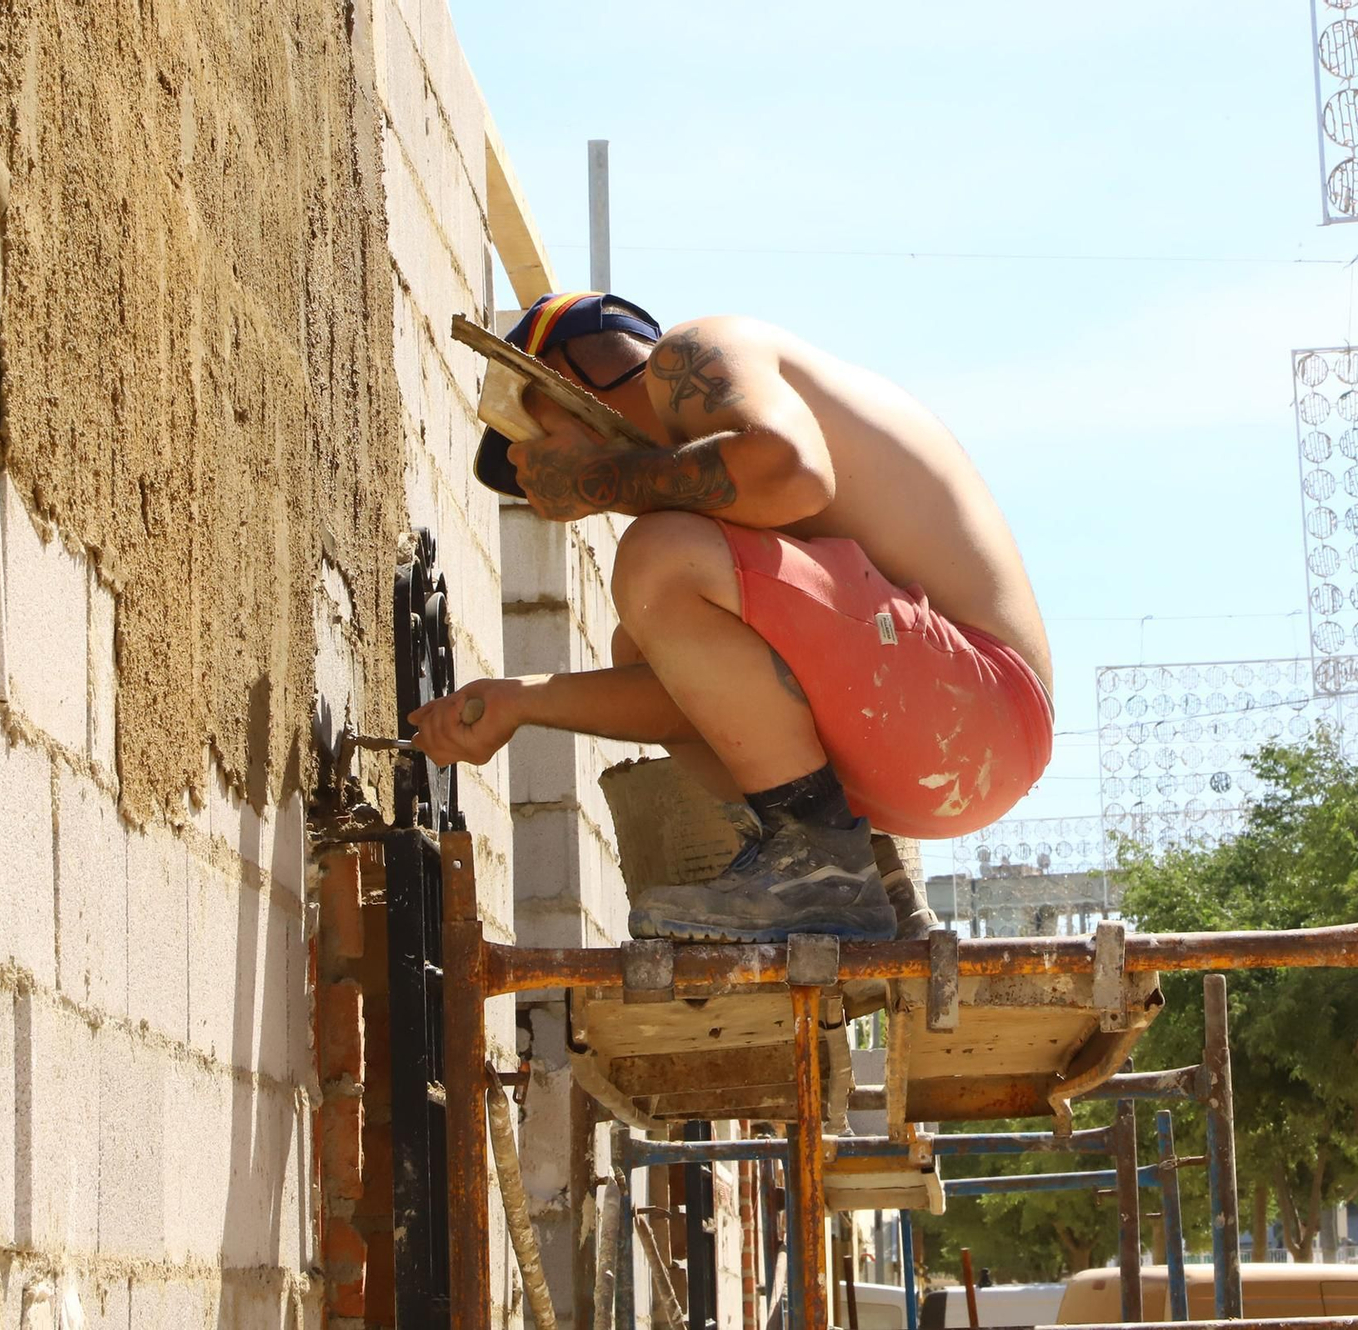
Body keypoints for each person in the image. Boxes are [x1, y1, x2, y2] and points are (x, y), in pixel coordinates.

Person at [410, 291, 1053, 943]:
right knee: (641, 643)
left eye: (529, 429)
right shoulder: (714, 521)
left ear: (567, 374)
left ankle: (820, 871)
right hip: (945, 743)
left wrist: (603, 475)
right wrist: (517, 702)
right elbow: (703, 704)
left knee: (660, 559)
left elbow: (793, 471)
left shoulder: (691, 355)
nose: (530, 460)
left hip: (982, 701)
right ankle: (870, 880)